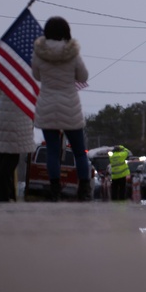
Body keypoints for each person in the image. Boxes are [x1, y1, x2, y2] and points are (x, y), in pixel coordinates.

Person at [32, 15, 91, 201]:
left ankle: (55, 189)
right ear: (66, 32)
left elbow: (37, 75)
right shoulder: (72, 53)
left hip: (47, 104)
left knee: (52, 151)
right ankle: (84, 189)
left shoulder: (39, 53)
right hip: (69, 106)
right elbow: (83, 76)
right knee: (79, 152)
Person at [0, 85, 34, 202]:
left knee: (4, 157)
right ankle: (3, 194)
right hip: (18, 116)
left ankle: (6, 193)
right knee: (11, 159)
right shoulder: (25, 73)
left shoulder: (4, 69)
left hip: (2, 115)